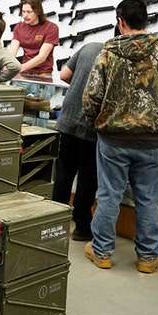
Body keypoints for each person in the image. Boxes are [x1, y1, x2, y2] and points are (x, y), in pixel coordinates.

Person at [82, 0, 158, 273]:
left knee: (108, 197)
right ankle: (148, 257)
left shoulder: (107, 54)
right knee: (148, 200)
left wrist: (98, 123)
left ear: (120, 22)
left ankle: (102, 252)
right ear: (146, 20)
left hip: (113, 141)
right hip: (152, 141)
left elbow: (91, 97)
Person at [51, 41, 103, 242]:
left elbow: (64, 75)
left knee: (64, 171)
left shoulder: (90, 47)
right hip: (91, 126)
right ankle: (81, 226)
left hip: (68, 120)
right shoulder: (116, 56)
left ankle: (55, 220)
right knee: (88, 178)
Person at [8, 0, 60, 101]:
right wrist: (8, 65)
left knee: (40, 113)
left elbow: (42, 57)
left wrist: (20, 68)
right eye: (23, 12)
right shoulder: (19, 27)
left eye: (29, 12)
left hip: (43, 77)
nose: (25, 15)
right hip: (23, 78)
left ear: (38, 11)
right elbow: (12, 51)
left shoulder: (51, 28)